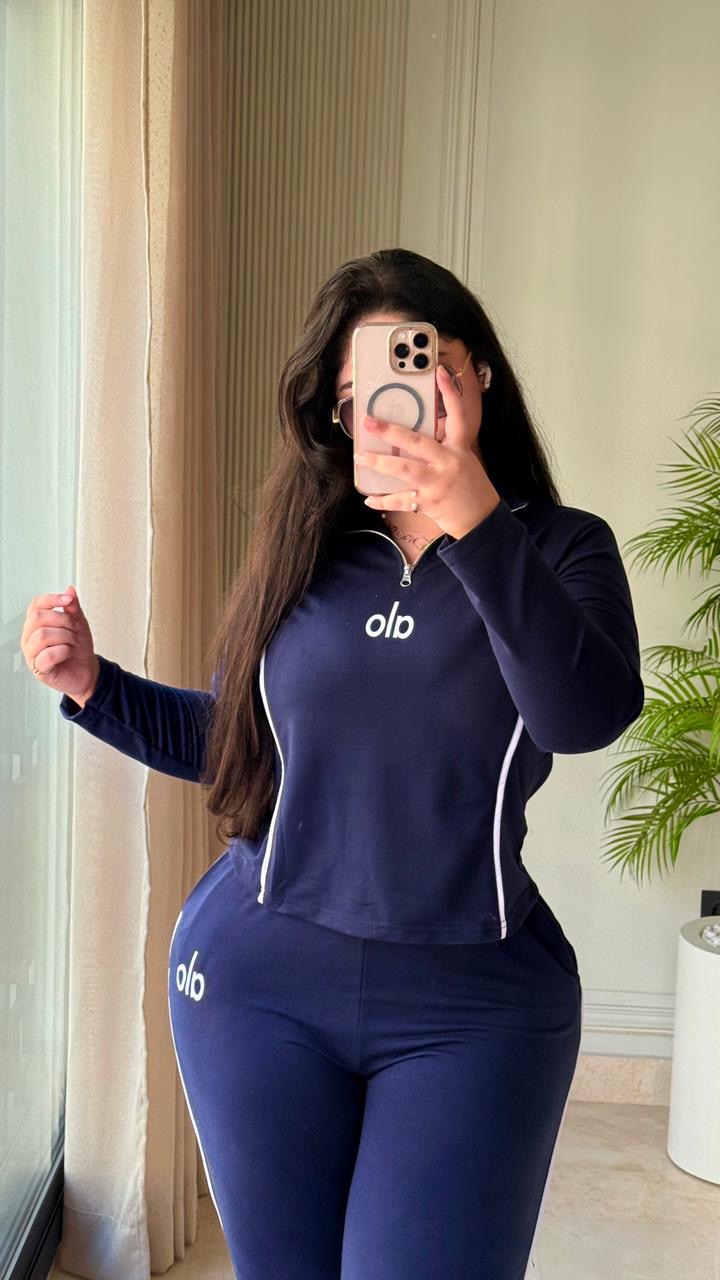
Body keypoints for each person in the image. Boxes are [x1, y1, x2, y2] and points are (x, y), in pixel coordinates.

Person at [22, 247, 644, 1280]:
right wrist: (95, 684)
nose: (391, 410)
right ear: (337, 413)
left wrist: (473, 517)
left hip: (473, 1006)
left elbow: (582, 716)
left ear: (478, 377)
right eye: (362, 396)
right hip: (253, 984)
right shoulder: (305, 550)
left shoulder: (561, 548)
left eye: (422, 369)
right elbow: (240, 749)